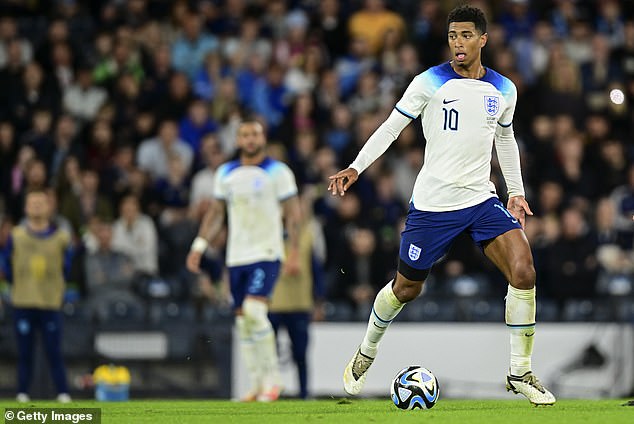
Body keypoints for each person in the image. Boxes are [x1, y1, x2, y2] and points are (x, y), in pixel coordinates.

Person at [328, 5, 555, 406]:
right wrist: (356, 167)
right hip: (433, 204)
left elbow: (505, 139)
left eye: (466, 35)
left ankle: (520, 372)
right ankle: (366, 352)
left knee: (524, 271)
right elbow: (392, 126)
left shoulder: (504, 89)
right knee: (406, 289)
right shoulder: (429, 81)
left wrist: (515, 191)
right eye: (452, 36)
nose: (458, 43)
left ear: (482, 39)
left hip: (481, 199)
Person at [186, 120, 301, 402]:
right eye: (245, 135)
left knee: (254, 311)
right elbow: (215, 214)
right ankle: (256, 384)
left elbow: (293, 213)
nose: (250, 139)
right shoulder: (226, 173)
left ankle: (273, 381)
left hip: (267, 253)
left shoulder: (279, 172)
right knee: (242, 322)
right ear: (238, 140)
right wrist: (198, 246)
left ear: (263, 137)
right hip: (237, 256)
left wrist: (294, 250)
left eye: (255, 134)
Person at [1, 189, 73, 402]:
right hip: (23, 301)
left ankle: (63, 393)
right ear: (25, 208)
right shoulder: (16, 236)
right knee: (24, 352)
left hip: (50, 302)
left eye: (41, 203)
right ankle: (22, 393)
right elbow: (7, 265)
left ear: (50, 207)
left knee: (54, 351)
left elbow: (68, 267)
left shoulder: (61, 237)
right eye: (32, 203)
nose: (37, 207)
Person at [268, 186, 326, 400]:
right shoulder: (271, 234)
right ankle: (271, 391)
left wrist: (319, 301)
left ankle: (303, 393)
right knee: (269, 355)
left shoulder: (308, 235)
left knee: (301, 354)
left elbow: (316, 270)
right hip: (273, 303)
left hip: (300, 303)